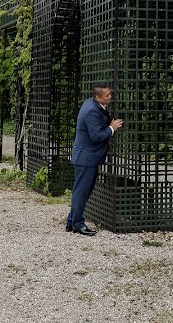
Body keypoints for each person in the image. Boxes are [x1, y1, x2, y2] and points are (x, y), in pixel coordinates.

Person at [66, 82, 123, 236]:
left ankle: (72, 221)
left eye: (110, 94)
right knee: (81, 192)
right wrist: (112, 128)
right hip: (86, 158)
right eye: (107, 95)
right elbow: (96, 135)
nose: (110, 97)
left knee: (82, 191)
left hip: (87, 157)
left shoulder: (92, 104)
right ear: (98, 97)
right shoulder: (91, 110)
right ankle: (77, 224)